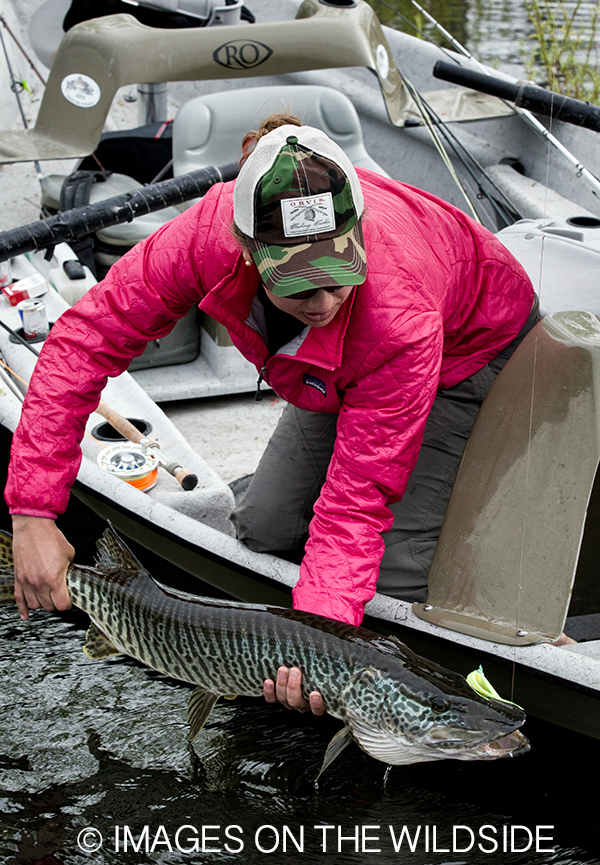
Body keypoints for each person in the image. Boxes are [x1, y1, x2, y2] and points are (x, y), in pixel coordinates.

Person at [5, 114, 544, 714]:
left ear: (359, 232)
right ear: (246, 253)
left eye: (340, 278)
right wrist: (32, 513)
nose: (324, 302)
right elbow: (83, 343)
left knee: (392, 571)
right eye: (300, 286)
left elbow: (355, 509)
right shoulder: (204, 235)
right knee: (262, 528)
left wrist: (318, 654)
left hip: (468, 353)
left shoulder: (399, 319)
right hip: (337, 370)